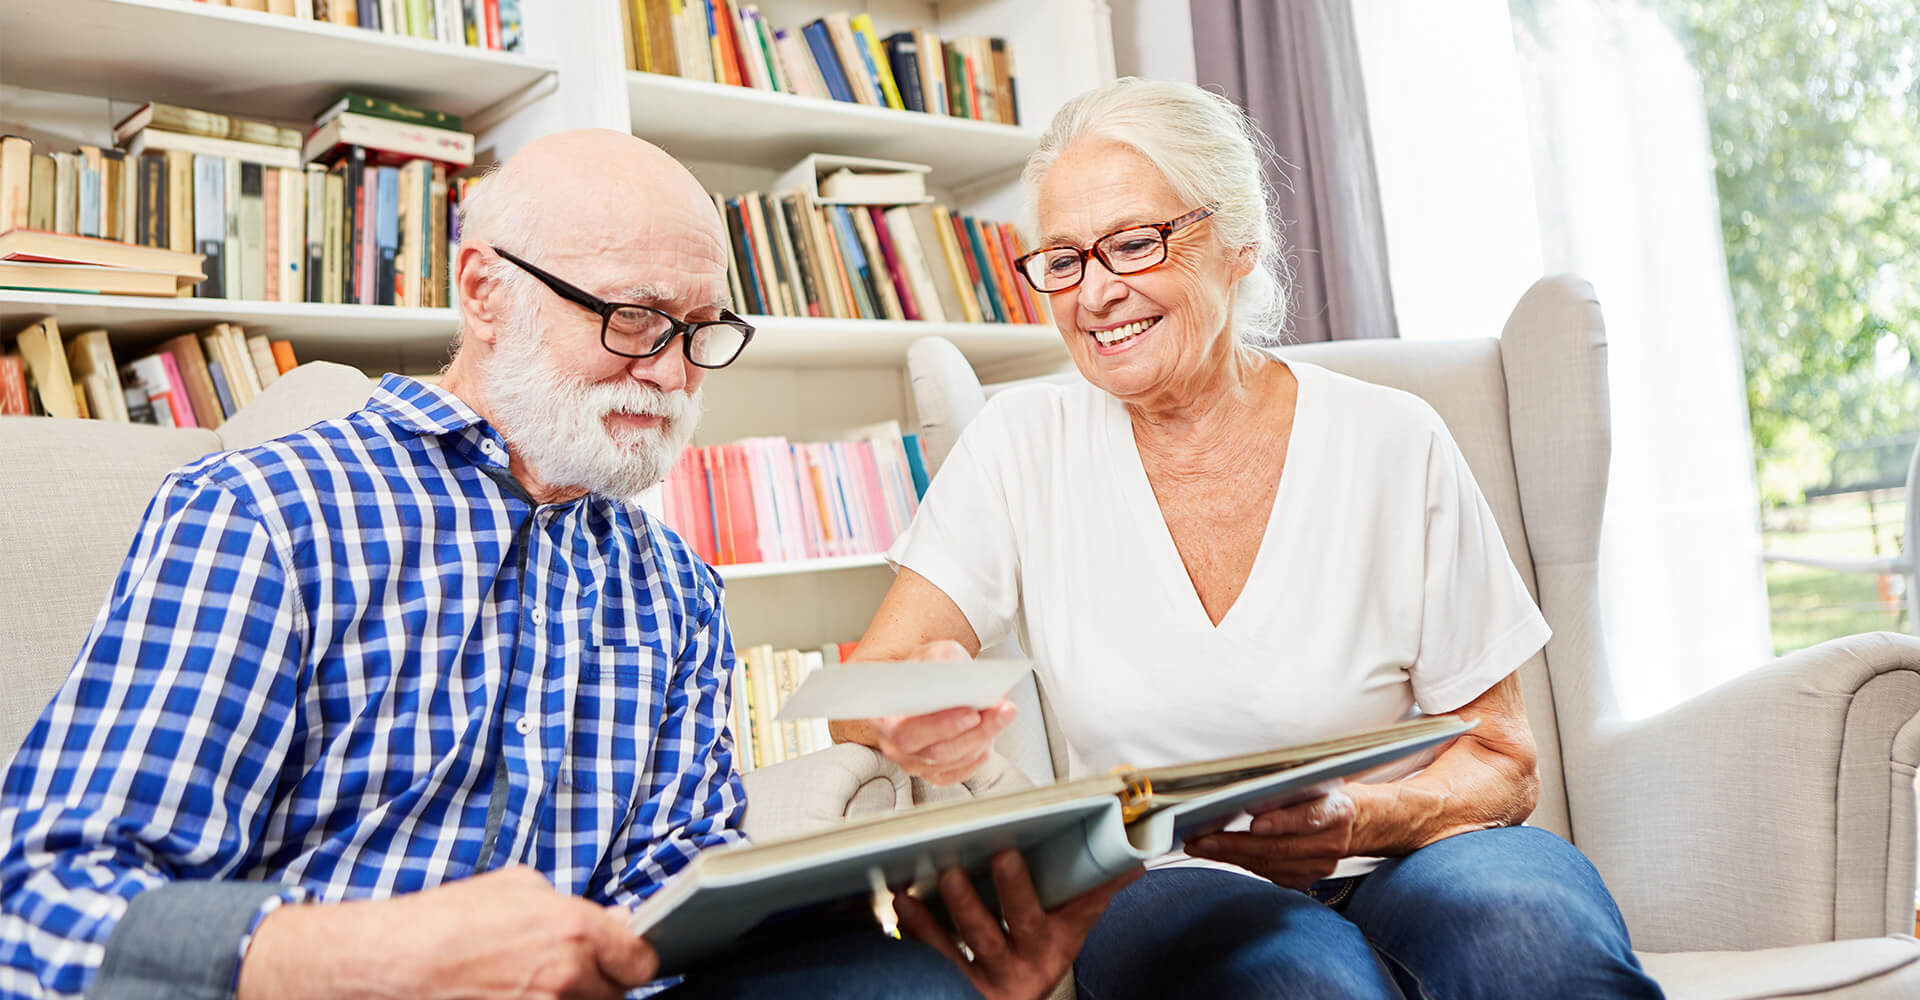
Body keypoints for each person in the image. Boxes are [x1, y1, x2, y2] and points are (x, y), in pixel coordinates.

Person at [0, 129, 1125, 1000]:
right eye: (635, 319)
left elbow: (682, 881)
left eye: (701, 332)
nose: (676, 374)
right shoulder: (265, 514)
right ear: (485, 290)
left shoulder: (672, 584)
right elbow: (40, 903)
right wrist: (366, 954)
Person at [833, 79, 1666, 999]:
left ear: (1240, 244)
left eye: (1135, 243)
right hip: (1169, 881)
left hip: (1421, 846)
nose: (1097, 293)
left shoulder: (1393, 439)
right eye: (1063, 260)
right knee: (1298, 987)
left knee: (1533, 947)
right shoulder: (1021, 443)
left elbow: (1505, 762)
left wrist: (1358, 816)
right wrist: (923, 699)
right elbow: (873, 681)